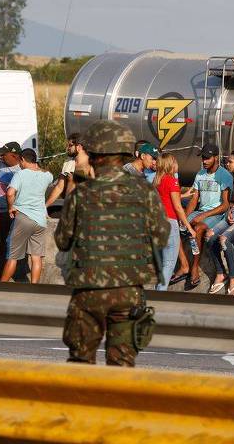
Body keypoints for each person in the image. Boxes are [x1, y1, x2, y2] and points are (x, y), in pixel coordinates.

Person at [55, 120, 169, 367]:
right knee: (121, 367)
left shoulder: (81, 194)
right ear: (126, 153)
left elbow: (62, 240)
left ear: (94, 155)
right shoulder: (145, 193)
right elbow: (161, 236)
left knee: (81, 364)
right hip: (129, 290)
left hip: (89, 290)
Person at [172, 143, 232, 290]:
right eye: (203, 158)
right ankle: (184, 265)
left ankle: (194, 268)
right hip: (201, 211)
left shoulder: (224, 175)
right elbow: (194, 199)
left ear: (216, 158)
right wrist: (184, 217)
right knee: (175, 226)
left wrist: (203, 215)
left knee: (198, 228)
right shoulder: (200, 174)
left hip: (217, 214)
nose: (204, 161)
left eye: (207, 158)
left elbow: (225, 205)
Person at [0, 149, 53, 284]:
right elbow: (45, 173)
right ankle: (34, 288)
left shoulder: (20, 174)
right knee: (36, 258)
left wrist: (11, 207)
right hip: (40, 220)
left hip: (23, 218)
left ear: (22, 160)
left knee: (12, 257)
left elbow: (10, 193)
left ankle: (1, 286)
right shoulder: (47, 175)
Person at [152, 153, 196, 291]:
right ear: (171, 164)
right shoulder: (172, 181)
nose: (177, 164)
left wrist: (182, 195)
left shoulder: (157, 180)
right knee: (169, 264)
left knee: (162, 264)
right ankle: (160, 294)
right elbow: (178, 207)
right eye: (175, 162)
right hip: (170, 223)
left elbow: (167, 199)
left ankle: (157, 291)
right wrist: (189, 227)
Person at [207, 149, 234, 295]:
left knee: (224, 239)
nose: (227, 163)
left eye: (230, 161)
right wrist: (233, 210)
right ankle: (220, 273)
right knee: (209, 235)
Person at [46, 133, 93, 206]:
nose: (68, 148)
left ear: (79, 147)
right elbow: (59, 187)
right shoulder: (68, 162)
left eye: (70, 145)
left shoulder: (92, 163)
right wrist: (45, 206)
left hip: (86, 208)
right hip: (69, 208)